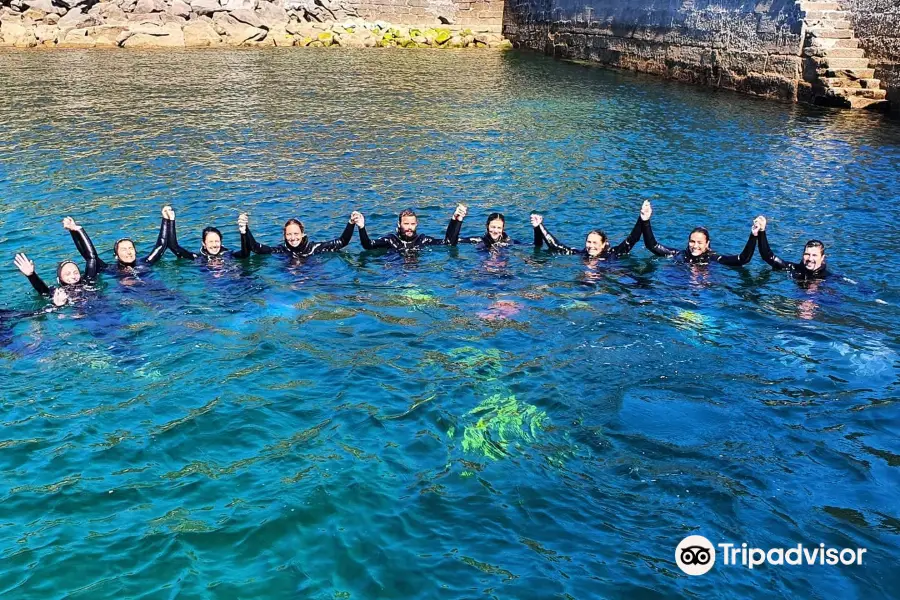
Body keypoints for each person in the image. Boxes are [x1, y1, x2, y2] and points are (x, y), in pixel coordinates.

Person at [641, 201, 758, 266]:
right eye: (692, 241)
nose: (695, 246)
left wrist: (754, 236)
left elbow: (742, 259)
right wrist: (645, 221)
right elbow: (652, 246)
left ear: (707, 244)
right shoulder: (678, 254)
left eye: (699, 243)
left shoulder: (713, 259)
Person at [66, 206, 172, 273]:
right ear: (116, 255)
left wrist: (167, 219)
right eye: (124, 249)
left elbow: (161, 245)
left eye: (130, 248)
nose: (128, 252)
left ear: (135, 251)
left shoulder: (146, 262)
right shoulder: (110, 269)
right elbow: (88, 255)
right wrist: (74, 231)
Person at [530, 204, 644, 259]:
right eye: (589, 242)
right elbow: (556, 246)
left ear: (604, 244)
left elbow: (632, 239)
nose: (591, 246)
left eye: (595, 243)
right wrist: (540, 226)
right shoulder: (582, 254)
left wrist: (643, 219)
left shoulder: (613, 254)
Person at [243, 213, 356, 259]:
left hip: (312, 278)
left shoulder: (314, 248)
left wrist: (351, 223)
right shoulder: (281, 250)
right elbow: (256, 248)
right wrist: (245, 229)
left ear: (302, 234)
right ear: (284, 235)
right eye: (289, 234)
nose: (293, 238)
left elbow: (342, 242)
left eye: (296, 234)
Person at [355, 205, 465, 251]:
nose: (409, 228)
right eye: (406, 224)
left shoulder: (422, 240)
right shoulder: (391, 241)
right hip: (395, 269)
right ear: (399, 224)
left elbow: (449, 243)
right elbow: (368, 245)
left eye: (412, 224)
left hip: (417, 272)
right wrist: (361, 227)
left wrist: (456, 220)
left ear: (417, 224)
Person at [755, 216, 828, 280]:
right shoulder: (794, 269)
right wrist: (762, 231)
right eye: (807, 254)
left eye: (814, 255)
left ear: (822, 258)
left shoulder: (828, 279)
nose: (810, 258)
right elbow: (768, 256)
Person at [167, 210, 252, 261]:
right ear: (204, 244)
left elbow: (245, 254)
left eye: (217, 241)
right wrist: (171, 220)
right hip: (215, 286)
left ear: (221, 242)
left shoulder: (228, 254)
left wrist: (243, 232)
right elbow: (174, 246)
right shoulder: (198, 258)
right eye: (210, 242)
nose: (214, 245)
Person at [455, 212, 534, 250]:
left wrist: (537, 227)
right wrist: (456, 221)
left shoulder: (509, 242)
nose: (495, 231)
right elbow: (452, 241)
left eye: (499, 228)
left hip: (503, 268)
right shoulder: (479, 241)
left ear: (503, 228)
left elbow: (535, 245)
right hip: (485, 268)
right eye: (493, 227)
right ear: (487, 226)